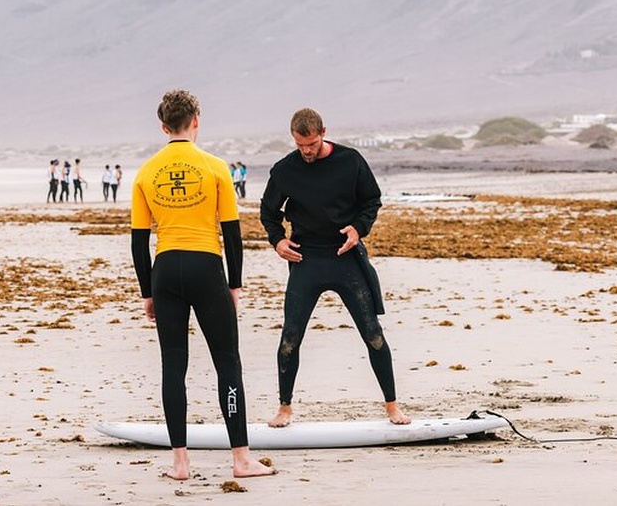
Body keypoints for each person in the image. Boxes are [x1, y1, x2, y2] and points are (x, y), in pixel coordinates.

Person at [130, 89, 276, 480]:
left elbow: (138, 241)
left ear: (163, 127)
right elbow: (232, 234)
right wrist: (234, 284)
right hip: (207, 268)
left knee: (173, 366)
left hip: (165, 270)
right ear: (196, 120)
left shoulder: (146, 173)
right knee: (227, 363)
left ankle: (180, 463)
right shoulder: (215, 167)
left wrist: (147, 292)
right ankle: (241, 459)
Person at [259, 108, 411, 428]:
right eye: (300, 146)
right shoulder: (285, 170)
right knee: (290, 337)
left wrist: (358, 228)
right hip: (306, 260)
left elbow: (372, 201)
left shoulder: (350, 161)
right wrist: (278, 241)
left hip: (345, 258)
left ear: (323, 132)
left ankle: (393, 406)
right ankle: (284, 409)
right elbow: (268, 212)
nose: (307, 151)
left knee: (373, 334)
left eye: (311, 144)